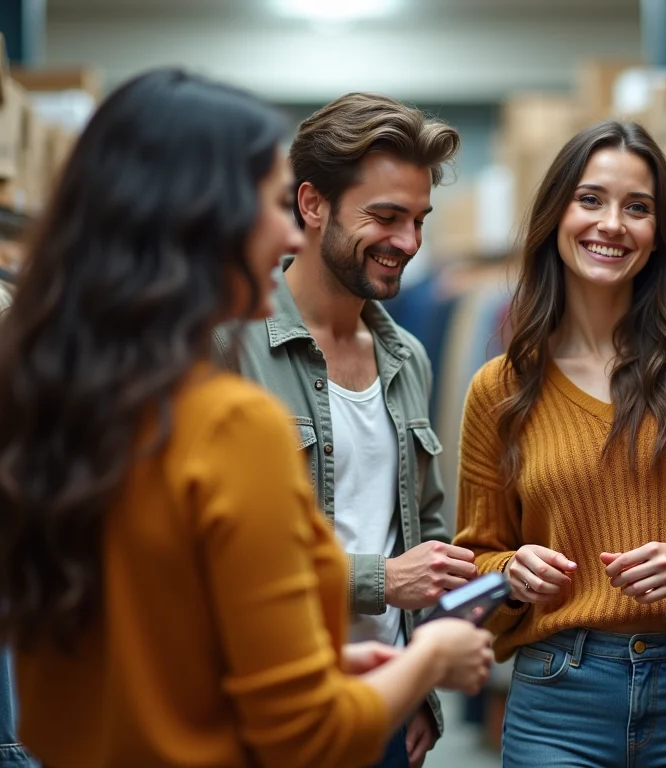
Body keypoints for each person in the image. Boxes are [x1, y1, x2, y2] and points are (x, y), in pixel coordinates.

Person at [0, 69, 493, 768]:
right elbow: (306, 734)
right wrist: (428, 662)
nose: (284, 230)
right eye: (269, 202)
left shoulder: (57, 398)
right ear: (200, 218)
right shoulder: (228, 420)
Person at [453, 121, 666, 767]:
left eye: (637, 207)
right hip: (557, 696)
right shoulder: (500, 387)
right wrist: (509, 572)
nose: (612, 224)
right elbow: (472, 558)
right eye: (591, 199)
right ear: (556, 214)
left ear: (659, 231)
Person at [214, 92, 474, 768]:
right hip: (267, 706)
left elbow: (427, 531)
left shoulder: (407, 358)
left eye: (418, 220)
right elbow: (211, 554)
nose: (409, 244)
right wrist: (377, 580)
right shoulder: (225, 345)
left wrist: (419, 683)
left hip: (383, 702)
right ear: (311, 204)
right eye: (386, 217)